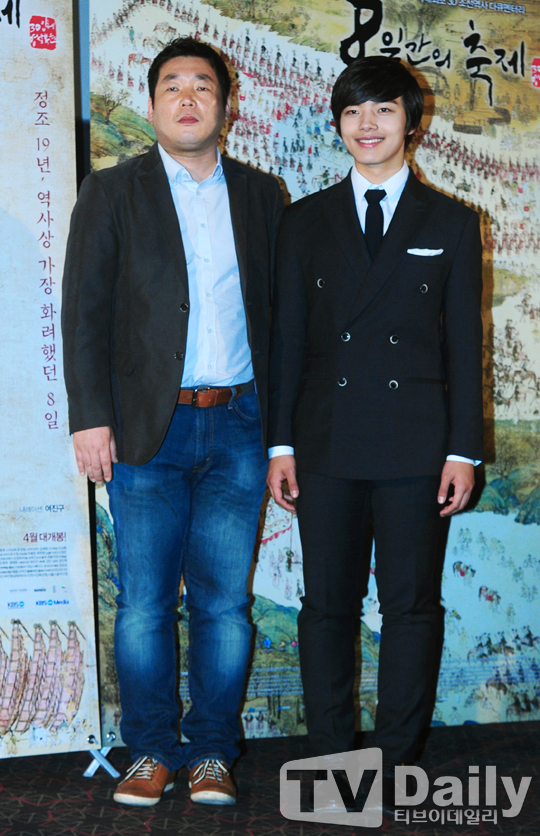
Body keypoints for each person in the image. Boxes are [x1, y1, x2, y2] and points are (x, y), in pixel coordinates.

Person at [62, 37, 283, 807]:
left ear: (227, 104)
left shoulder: (261, 194)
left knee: (225, 603)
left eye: (203, 86)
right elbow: (84, 313)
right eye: (173, 86)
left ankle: (213, 751)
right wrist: (90, 418)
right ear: (153, 104)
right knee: (146, 605)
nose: (188, 98)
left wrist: (285, 433)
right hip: (143, 431)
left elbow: (284, 316)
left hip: (240, 424)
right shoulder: (111, 192)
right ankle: (151, 750)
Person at [266, 56, 483, 808]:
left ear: (411, 123)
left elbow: (465, 348)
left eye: (384, 110)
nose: (368, 125)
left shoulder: (451, 222)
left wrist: (463, 450)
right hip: (325, 442)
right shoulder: (303, 220)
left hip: (416, 445)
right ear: (337, 124)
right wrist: (280, 445)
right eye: (354, 111)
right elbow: (287, 342)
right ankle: (331, 760)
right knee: (326, 607)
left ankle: (395, 759)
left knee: (411, 607)